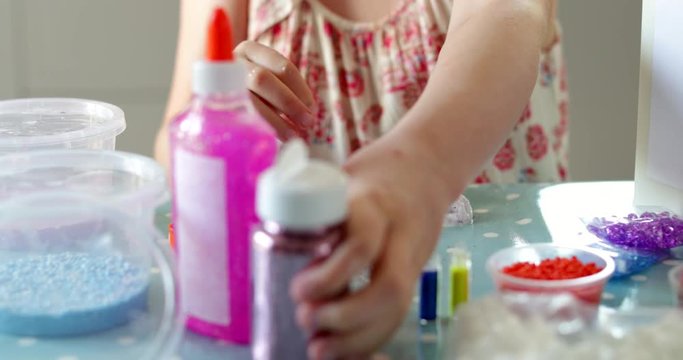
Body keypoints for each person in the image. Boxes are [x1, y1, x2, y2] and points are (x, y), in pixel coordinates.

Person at [156, 0, 567, 358]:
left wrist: (416, 169)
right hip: (295, 310)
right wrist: (220, 128)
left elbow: (505, 12)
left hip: (504, 319)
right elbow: (172, 144)